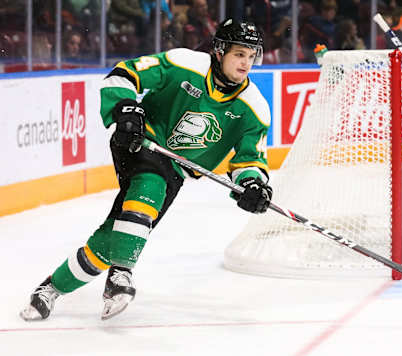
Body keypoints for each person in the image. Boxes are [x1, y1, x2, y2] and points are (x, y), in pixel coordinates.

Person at [20, 18, 273, 321]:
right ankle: (121, 275)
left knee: (110, 240)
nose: (246, 63)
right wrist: (126, 107)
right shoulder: (185, 63)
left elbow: (250, 160)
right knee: (151, 183)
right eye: (238, 54)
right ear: (219, 51)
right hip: (140, 140)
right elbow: (124, 74)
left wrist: (253, 185)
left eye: (251, 55)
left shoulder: (254, 107)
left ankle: (50, 289)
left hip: (176, 171)